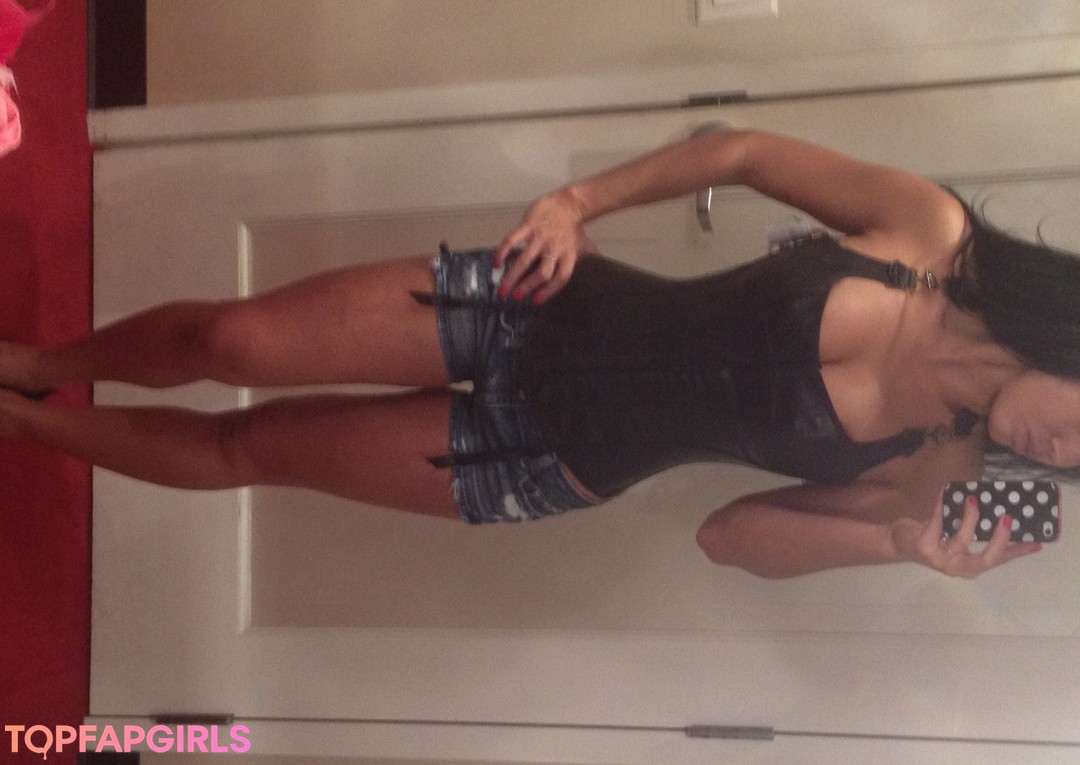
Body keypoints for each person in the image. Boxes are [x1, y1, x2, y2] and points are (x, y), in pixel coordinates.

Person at [1, 130, 1076, 579]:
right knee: (225, 338)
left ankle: (18, 418)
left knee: (257, 448)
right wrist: (575, 203)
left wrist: (895, 545)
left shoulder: (937, 476)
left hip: (544, 459)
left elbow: (729, 536)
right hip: (545, 305)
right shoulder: (933, 236)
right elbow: (746, 152)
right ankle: (40, 363)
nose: (1059, 451)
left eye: (1076, 462)